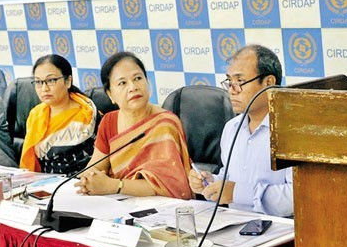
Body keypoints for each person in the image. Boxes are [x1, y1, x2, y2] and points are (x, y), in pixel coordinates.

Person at [189, 44, 294, 217]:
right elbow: (229, 178)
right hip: (235, 225)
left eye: (240, 82)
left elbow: (295, 198)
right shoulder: (232, 128)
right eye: (229, 81)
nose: (232, 90)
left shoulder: (292, 131)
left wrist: (237, 193)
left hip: (281, 233)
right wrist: (212, 182)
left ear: (268, 83)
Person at [75, 51, 192, 199]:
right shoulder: (109, 121)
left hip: (158, 207)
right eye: (122, 83)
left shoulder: (165, 123)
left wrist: (114, 185)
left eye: (138, 78)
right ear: (110, 94)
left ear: (147, 83)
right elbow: (95, 166)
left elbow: (167, 184)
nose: (133, 87)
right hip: (117, 204)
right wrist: (89, 179)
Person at [19, 54, 97, 174]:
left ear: (68, 81)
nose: (44, 88)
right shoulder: (36, 114)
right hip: (40, 182)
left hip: (79, 183)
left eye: (51, 80)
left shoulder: (86, 116)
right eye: (38, 82)